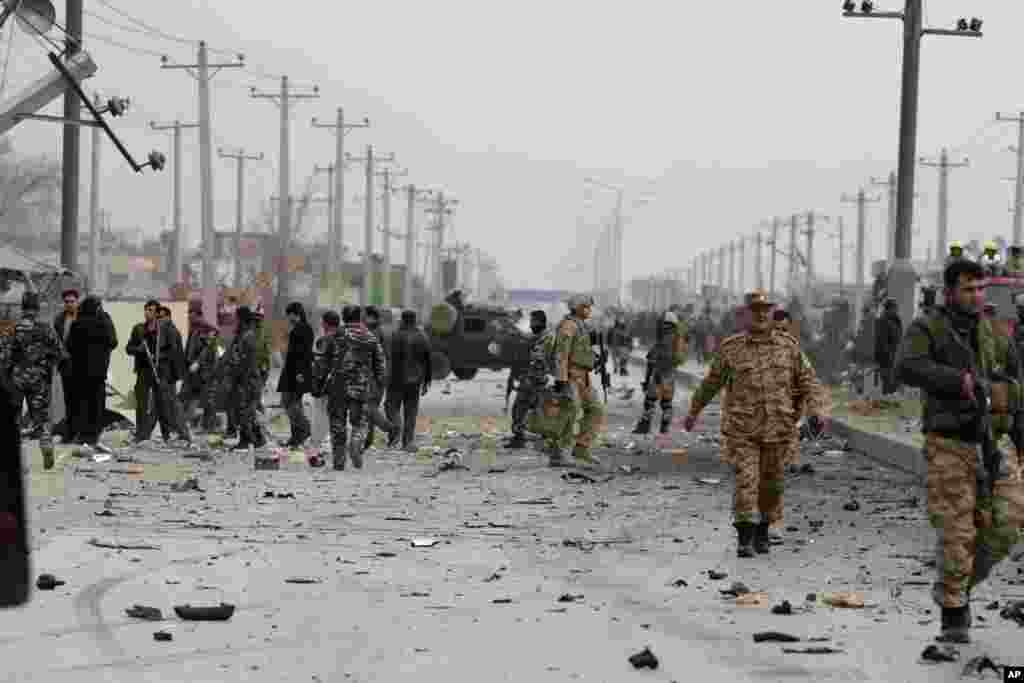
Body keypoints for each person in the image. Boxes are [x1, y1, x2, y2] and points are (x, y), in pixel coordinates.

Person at [896, 258, 1022, 643]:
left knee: (1008, 521)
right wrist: (957, 381)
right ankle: (954, 612)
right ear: (950, 291)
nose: (976, 295)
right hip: (949, 444)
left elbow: (1014, 391)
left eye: (981, 288)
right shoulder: (928, 327)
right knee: (957, 532)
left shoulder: (996, 334)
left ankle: (961, 584)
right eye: (968, 289)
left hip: (992, 445)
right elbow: (907, 366)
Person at [683, 289, 830, 558]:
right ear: (746, 314)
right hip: (743, 431)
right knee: (747, 481)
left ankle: (763, 531)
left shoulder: (789, 347)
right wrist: (694, 412)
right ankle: (744, 536)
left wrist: (818, 410)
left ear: (772, 313)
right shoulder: (732, 349)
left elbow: (808, 380)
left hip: (779, 429)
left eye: (766, 310)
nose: (762, 315)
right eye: (756, 310)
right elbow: (711, 384)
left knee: (772, 485)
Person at [315, 305, 387, 470]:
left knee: (337, 425)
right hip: (361, 387)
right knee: (360, 422)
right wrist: (380, 383)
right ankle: (356, 442)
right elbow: (380, 364)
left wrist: (318, 385)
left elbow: (322, 364)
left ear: (343, 317)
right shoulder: (370, 337)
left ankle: (339, 462)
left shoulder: (333, 336)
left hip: (337, 386)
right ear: (360, 317)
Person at [0, 292, 63, 469]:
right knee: (42, 418)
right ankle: (46, 445)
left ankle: (14, 460)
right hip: (39, 380)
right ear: (37, 308)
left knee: (14, 420)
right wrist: (46, 365)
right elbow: (60, 353)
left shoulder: (13, 329)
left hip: (16, 381)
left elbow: (4, 357)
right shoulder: (46, 329)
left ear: (22, 308)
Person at [549, 293, 606, 468]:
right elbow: (561, 353)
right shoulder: (569, 326)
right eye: (585, 307)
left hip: (583, 376)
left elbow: (582, 350)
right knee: (569, 411)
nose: (588, 310)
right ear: (576, 308)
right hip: (571, 375)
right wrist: (561, 378)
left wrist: (595, 357)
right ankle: (559, 453)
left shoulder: (582, 326)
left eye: (589, 306)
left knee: (595, 409)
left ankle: (582, 447)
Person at [125, 300, 189, 444]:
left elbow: (173, 351)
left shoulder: (165, 330)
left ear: (157, 313)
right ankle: (141, 434)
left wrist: (157, 357)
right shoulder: (139, 329)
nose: (148, 313)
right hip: (143, 371)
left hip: (161, 371)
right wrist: (139, 349)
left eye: (151, 310)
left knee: (163, 404)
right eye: (146, 310)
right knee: (142, 403)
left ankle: (168, 434)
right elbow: (128, 348)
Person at [66, 296, 117, 449]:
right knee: (97, 403)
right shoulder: (104, 322)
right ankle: (94, 435)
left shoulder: (77, 324)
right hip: (99, 372)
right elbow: (113, 342)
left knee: (82, 402)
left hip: (79, 372)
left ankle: (82, 434)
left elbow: (69, 346)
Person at [219, 305, 266, 450]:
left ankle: (251, 440)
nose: (233, 319)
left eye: (236, 317)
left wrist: (237, 375)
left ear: (241, 318)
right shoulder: (242, 334)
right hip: (242, 379)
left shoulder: (248, 336)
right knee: (244, 411)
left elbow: (246, 361)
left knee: (245, 411)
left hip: (248, 380)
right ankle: (255, 440)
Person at [385, 310, 433, 452]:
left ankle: (396, 427)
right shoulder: (422, 336)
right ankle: (408, 442)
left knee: (390, 406)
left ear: (403, 320)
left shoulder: (396, 335)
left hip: (396, 379)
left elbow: (389, 358)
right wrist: (427, 381)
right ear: (415, 320)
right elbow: (428, 361)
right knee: (411, 411)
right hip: (415, 380)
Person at [633, 311, 686, 435]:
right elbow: (680, 358)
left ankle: (644, 427)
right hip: (671, 375)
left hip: (659, 373)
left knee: (650, 401)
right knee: (667, 403)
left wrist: (647, 380)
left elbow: (651, 360)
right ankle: (665, 428)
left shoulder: (664, 339)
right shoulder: (678, 339)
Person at [506, 310, 550, 449]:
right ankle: (543, 437)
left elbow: (539, 360)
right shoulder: (541, 336)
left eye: (532, 322)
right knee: (537, 409)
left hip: (535, 379)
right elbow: (527, 337)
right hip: (536, 378)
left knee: (520, 407)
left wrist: (528, 378)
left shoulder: (545, 339)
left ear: (539, 322)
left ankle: (520, 437)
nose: (531, 324)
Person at [179, 300, 221, 433]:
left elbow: (208, 349)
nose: (188, 316)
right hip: (192, 370)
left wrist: (198, 362)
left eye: (190, 313)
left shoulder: (207, 328)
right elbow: (189, 348)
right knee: (187, 396)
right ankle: (184, 424)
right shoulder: (194, 328)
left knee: (208, 399)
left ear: (197, 314)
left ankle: (210, 426)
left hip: (204, 370)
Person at [361, 306, 399, 450]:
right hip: (381, 376)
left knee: (368, 407)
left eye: (365, 316)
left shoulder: (373, 333)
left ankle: (390, 428)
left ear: (372, 317)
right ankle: (368, 440)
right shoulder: (385, 332)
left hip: (373, 376)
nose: (363, 318)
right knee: (371, 407)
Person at [278, 302, 314, 448]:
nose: (288, 318)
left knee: (290, 402)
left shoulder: (304, 329)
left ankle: (305, 428)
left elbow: (304, 354)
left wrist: (300, 373)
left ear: (295, 313)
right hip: (292, 370)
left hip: (297, 372)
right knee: (291, 402)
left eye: (290, 315)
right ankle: (296, 436)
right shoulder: (299, 328)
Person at [310, 310, 341, 453]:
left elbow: (320, 365)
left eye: (322, 321)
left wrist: (316, 384)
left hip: (326, 385)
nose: (321, 323)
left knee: (321, 413)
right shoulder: (345, 339)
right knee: (336, 414)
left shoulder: (324, 341)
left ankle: (319, 443)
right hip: (341, 384)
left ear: (326, 323)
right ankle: (333, 442)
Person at [51, 288, 79, 441]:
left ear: (77, 301)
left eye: (72, 301)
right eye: (67, 302)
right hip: (65, 365)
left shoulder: (83, 318)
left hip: (81, 365)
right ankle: (70, 431)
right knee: (68, 399)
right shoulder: (59, 319)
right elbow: (55, 341)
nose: (69, 304)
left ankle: (80, 430)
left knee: (80, 399)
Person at [874, 298, 903, 395]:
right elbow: (881, 341)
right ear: (889, 308)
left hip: (894, 354)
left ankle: (890, 395)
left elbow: (898, 338)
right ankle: (885, 397)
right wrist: (888, 355)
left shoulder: (896, 320)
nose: (896, 309)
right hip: (886, 356)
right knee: (886, 380)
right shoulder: (882, 320)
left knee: (893, 380)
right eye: (895, 307)